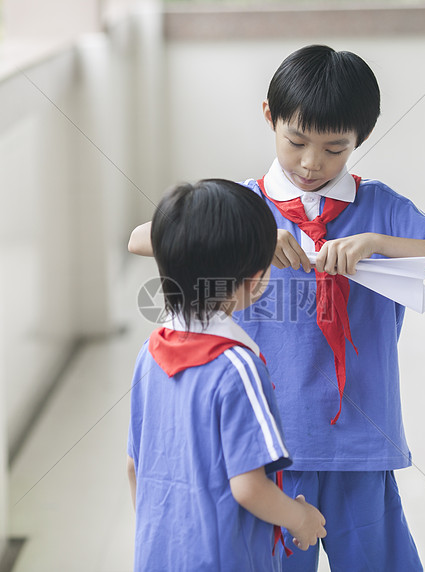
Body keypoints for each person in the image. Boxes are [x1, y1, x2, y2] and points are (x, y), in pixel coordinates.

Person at [128, 45, 425, 571]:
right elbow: (141, 238)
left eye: (335, 149)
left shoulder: (379, 206)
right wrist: (253, 238)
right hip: (270, 449)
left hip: (360, 444)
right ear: (269, 115)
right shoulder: (244, 207)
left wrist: (379, 243)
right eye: (296, 142)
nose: (312, 162)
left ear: (360, 138)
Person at [127, 179, 327, 571]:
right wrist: (300, 518)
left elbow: (135, 467)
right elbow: (249, 487)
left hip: (158, 555)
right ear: (255, 280)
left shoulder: (149, 353)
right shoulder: (238, 367)